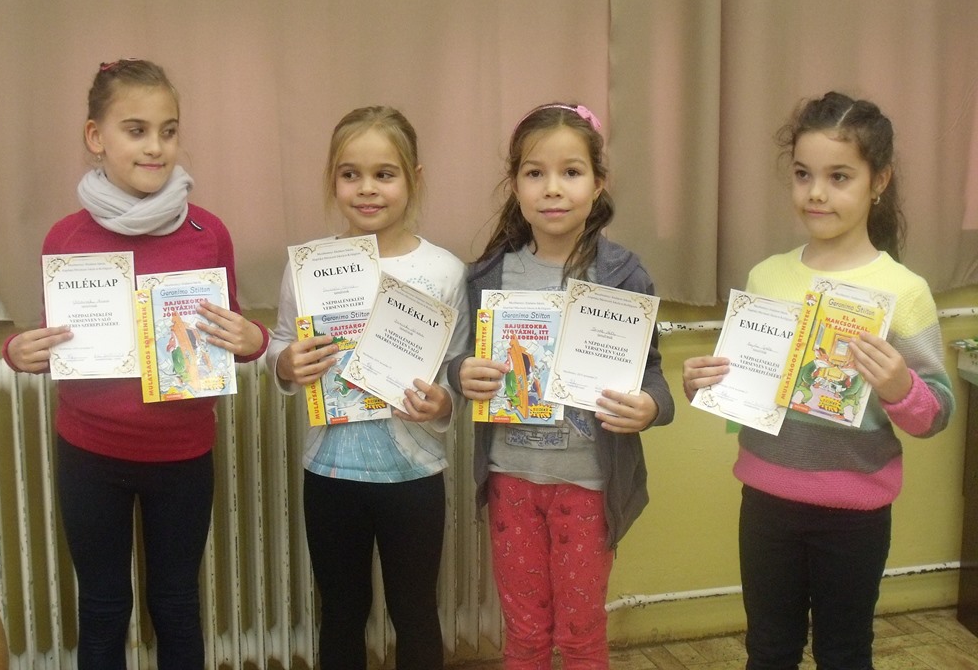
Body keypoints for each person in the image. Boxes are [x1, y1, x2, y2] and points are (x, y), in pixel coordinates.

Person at [2, 59, 269, 670]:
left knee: (175, 604)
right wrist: (18, 352)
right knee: (102, 608)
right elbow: (52, 341)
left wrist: (252, 339)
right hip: (90, 455)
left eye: (168, 131)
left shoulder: (208, 233)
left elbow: (231, 332)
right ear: (96, 137)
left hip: (182, 456)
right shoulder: (65, 238)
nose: (155, 147)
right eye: (136, 130)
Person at [682, 91, 954, 670]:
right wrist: (707, 384)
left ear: (879, 181)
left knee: (844, 653)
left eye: (839, 177)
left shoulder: (904, 292)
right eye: (803, 174)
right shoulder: (767, 276)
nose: (816, 193)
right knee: (769, 650)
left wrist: (900, 387)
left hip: (854, 513)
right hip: (767, 502)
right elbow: (749, 390)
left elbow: (936, 414)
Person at [447, 102, 675, 669]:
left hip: (588, 484)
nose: (552, 188)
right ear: (515, 184)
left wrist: (650, 406)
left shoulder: (624, 276)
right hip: (511, 479)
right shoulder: (488, 275)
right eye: (535, 172)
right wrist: (462, 373)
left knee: (579, 635)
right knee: (524, 634)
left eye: (571, 172)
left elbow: (651, 372)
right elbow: (459, 362)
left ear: (598, 183)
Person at [267, 105, 469, 670]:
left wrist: (444, 401)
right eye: (350, 174)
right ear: (332, 179)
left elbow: (456, 368)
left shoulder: (445, 271)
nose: (367, 189)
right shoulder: (308, 267)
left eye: (385, 174)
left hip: (414, 473)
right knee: (341, 612)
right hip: (330, 472)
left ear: (414, 178)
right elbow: (280, 343)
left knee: (415, 611)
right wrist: (286, 365)